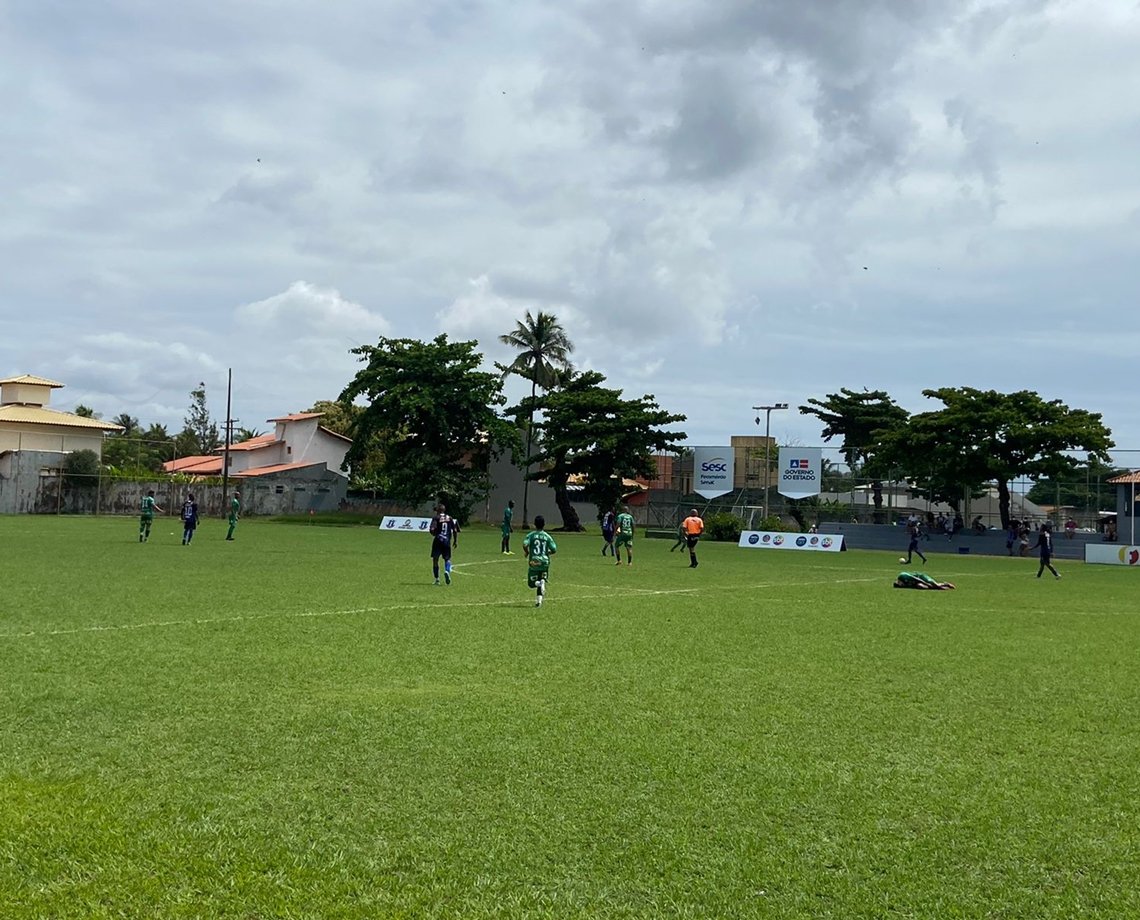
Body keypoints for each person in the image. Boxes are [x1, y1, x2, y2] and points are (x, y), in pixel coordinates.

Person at [523, 514, 557, 607]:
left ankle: (539, 584)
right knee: (541, 579)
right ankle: (539, 602)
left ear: (534, 524)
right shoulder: (547, 536)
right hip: (545, 563)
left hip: (534, 562)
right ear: (544, 524)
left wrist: (527, 552)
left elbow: (525, 544)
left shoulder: (531, 535)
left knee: (531, 583)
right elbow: (554, 549)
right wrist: (546, 553)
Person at [429, 503, 459, 585]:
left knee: (435, 559)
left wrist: (433, 533)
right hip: (447, 541)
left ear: (438, 511)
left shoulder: (436, 518)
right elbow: (455, 530)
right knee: (447, 558)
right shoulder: (449, 518)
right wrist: (455, 541)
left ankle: (437, 579)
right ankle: (447, 571)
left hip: (438, 540)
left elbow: (432, 529)